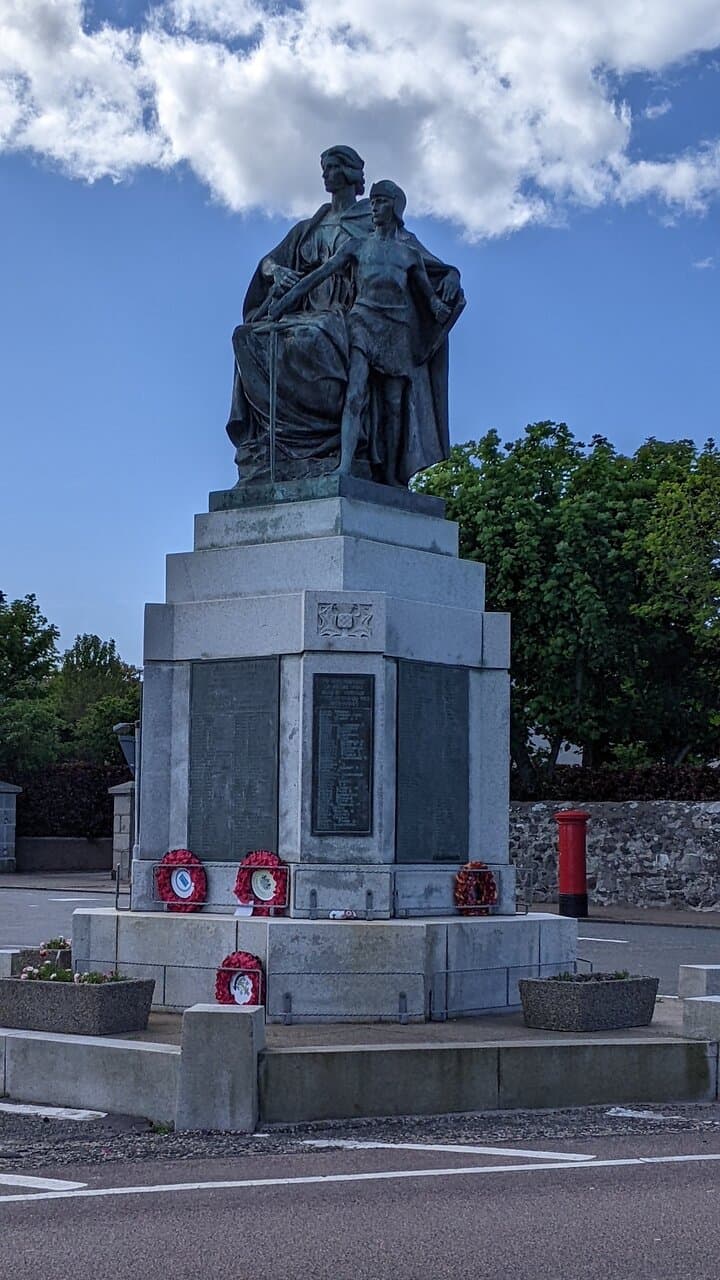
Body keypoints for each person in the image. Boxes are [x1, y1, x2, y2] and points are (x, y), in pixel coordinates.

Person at [269, 180, 464, 485]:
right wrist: (284, 303)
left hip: (396, 330)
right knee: (356, 393)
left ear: (395, 208)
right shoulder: (357, 246)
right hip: (363, 321)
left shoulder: (409, 254)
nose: (374, 207)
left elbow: (428, 293)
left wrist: (442, 299)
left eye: (381, 201)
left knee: (394, 406)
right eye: (372, 201)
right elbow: (318, 275)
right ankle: (344, 466)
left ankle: (392, 476)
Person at [226, 145, 373, 481]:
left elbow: (411, 256)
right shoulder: (309, 227)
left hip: (344, 314)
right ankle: (277, 444)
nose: (325, 174)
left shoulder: (370, 222)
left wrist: (449, 278)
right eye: (324, 167)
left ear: (350, 173)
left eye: (332, 167)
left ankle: (322, 443)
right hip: (301, 310)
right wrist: (277, 272)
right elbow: (268, 262)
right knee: (246, 337)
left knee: (312, 335)